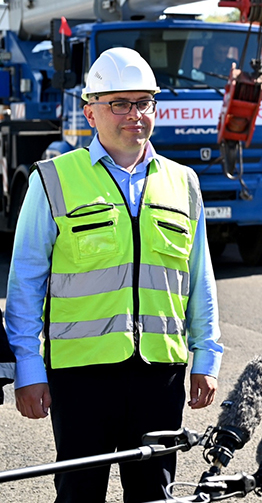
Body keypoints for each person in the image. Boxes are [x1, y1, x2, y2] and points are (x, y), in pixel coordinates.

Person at [5, 47, 223, 503]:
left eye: (144, 102)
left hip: (160, 374)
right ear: (91, 113)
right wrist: (27, 367)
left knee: (153, 495)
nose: (134, 115)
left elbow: (198, 277)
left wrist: (206, 357)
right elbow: (25, 281)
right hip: (80, 377)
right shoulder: (53, 179)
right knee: (79, 493)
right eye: (119, 103)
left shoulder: (184, 182)